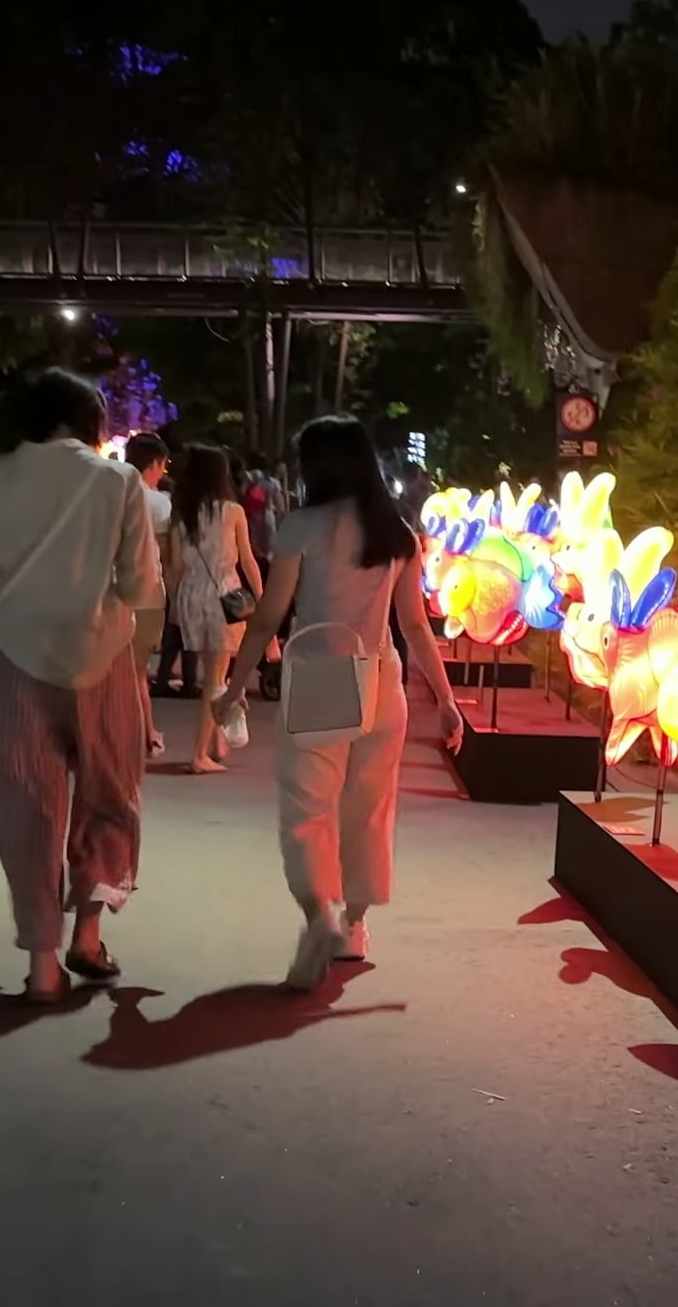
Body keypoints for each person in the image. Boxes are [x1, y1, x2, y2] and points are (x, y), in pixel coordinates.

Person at [220, 416, 464, 988]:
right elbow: (415, 625)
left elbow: (270, 615)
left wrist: (234, 685)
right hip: (382, 681)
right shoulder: (395, 532)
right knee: (369, 807)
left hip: (323, 678)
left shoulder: (301, 527)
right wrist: (448, 700)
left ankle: (318, 916)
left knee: (308, 809)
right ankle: (354, 926)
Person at [0, 368, 158, 1003]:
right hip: (103, 656)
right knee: (110, 796)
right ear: (89, 418)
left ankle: (42, 965)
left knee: (27, 809)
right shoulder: (118, 481)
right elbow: (141, 583)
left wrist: (13, 605)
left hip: (15, 658)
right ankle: (87, 938)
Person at [165, 444, 263, 774]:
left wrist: (175, 607)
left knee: (213, 676)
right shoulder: (232, 511)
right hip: (226, 595)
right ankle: (198, 755)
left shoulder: (180, 515)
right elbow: (247, 559)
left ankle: (216, 741)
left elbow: (175, 568)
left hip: (191, 595)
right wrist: (261, 599)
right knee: (216, 679)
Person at [123, 432, 172, 758]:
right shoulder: (158, 502)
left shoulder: (110, 494)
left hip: (111, 588)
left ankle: (130, 730)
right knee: (137, 668)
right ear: (154, 463)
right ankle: (145, 731)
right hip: (148, 592)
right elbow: (167, 555)